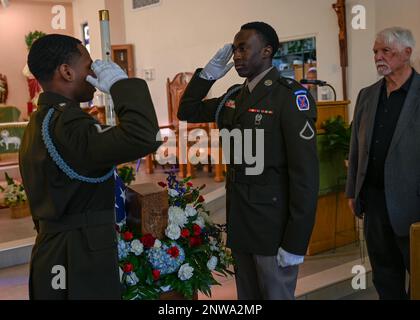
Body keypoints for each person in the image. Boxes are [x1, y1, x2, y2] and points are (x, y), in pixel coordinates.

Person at [178, 22, 319, 300]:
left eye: (243, 48)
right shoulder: (234, 96)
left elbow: (305, 175)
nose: (237, 56)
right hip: (242, 224)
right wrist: (207, 75)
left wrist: (296, 241)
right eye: (235, 49)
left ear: (267, 51)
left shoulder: (289, 96)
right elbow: (187, 110)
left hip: (274, 229)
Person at [19, 34, 161, 300]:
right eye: (88, 65)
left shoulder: (40, 120)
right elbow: (144, 135)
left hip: (53, 251)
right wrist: (121, 86)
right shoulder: (68, 125)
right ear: (66, 71)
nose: (94, 71)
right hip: (79, 256)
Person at [346, 27, 419, 300]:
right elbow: (356, 146)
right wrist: (353, 189)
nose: (378, 56)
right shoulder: (367, 95)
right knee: (385, 276)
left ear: (407, 53)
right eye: (375, 51)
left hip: (414, 205)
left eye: (385, 51)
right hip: (375, 203)